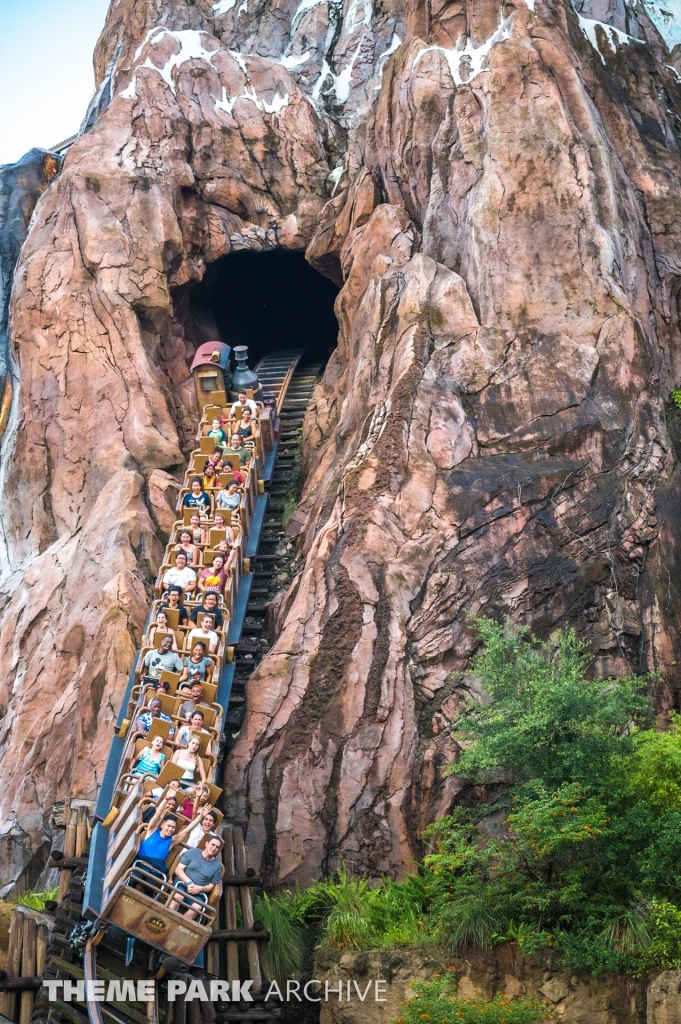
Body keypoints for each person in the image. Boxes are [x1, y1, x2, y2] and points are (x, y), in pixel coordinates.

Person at [133, 800, 206, 891]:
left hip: (154, 870)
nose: (170, 829)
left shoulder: (171, 841)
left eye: (173, 827)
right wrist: (166, 799)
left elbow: (187, 830)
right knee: (134, 877)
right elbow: (157, 814)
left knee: (150, 886)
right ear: (162, 825)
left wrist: (201, 817)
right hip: (140, 863)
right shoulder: (152, 831)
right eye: (169, 826)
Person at [170, 837, 223, 920]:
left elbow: (211, 886)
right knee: (178, 897)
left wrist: (200, 888)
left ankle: (178, 927)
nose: (214, 848)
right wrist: (189, 882)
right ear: (206, 844)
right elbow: (178, 869)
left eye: (217, 847)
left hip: (198, 892)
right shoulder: (193, 852)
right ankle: (168, 921)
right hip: (182, 884)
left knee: (197, 908)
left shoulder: (217, 866)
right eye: (212, 845)